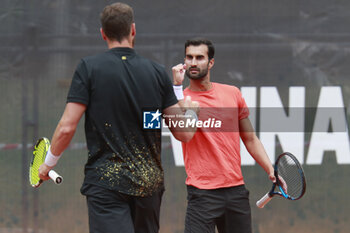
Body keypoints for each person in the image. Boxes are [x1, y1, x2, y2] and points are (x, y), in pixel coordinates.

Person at [38, 3, 198, 233]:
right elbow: (184, 134)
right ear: (133, 30)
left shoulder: (88, 68)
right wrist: (191, 111)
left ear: (103, 33)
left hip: (106, 184)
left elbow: (66, 128)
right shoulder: (156, 72)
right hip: (148, 185)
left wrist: (48, 164)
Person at [171, 38, 276, 233]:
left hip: (235, 191)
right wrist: (177, 89)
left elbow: (250, 139)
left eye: (200, 57)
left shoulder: (232, 94)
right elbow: (182, 133)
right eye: (189, 57)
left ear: (211, 62)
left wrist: (270, 168)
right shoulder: (179, 99)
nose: (193, 62)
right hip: (201, 193)